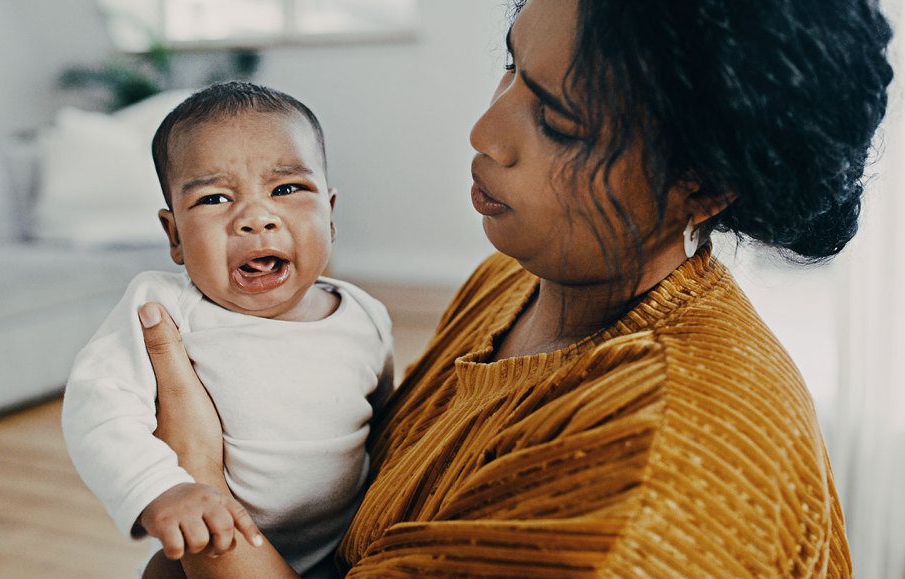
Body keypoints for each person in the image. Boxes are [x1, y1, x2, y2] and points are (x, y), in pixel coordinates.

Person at [134, 0, 894, 576]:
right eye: (512, 66)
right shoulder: (514, 280)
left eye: (558, 121)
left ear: (702, 185)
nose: (485, 132)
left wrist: (198, 475)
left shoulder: (647, 491)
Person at [61, 81, 395, 579]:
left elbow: (385, 420)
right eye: (215, 198)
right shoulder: (165, 305)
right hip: (206, 550)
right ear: (174, 236)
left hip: (340, 548)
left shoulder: (365, 315)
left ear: (330, 215)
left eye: (287, 189)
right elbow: (98, 404)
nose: (256, 219)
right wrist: (162, 488)